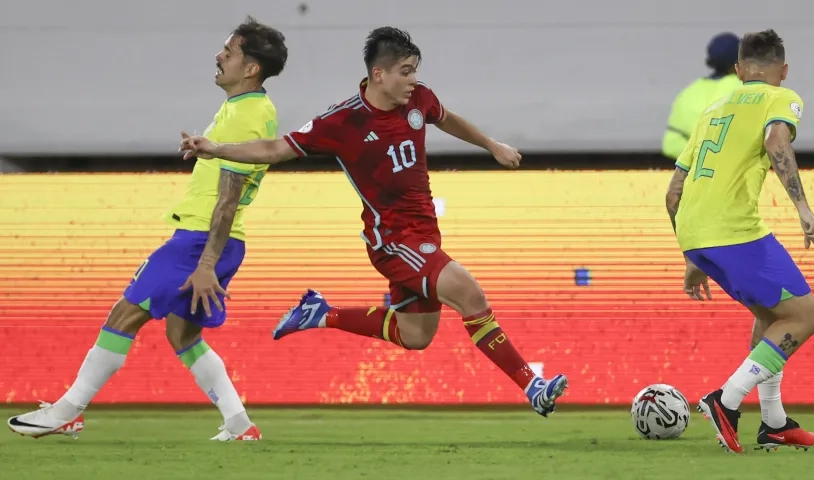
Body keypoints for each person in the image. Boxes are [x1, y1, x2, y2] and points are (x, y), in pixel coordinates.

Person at [180, 27, 568, 416]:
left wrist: (492, 145)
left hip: (424, 233)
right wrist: (215, 148)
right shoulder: (343, 122)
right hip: (393, 241)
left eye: (415, 70)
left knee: (415, 335)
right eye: (405, 71)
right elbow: (276, 148)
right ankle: (532, 385)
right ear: (378, 75)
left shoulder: (419, 99)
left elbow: (447, 119)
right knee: (469, 293)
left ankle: (321, 313)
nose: (413, 80)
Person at [7, 16, 288, 441]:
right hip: (218, 240)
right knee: (181, 332)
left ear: (250, 68)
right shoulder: (245, 108)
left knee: (125, 313)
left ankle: (67, 410)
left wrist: (207, 261)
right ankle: (238, 423)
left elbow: (229, 196)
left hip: (200, 240)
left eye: (229, 52)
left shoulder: (246, 115)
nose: (219, 56)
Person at [665, 29, 814, 453]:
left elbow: (673, 191)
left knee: (774, 317)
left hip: (697, 232)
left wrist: (692, 255)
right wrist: (803, 209)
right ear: (783, 69)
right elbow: (777, 143)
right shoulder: (781, 97)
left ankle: (773, 422)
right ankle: (727, 400)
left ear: (739, 71)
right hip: (734, 230)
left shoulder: (711, 109)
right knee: (806, 316)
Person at [662, 32, 743, 161]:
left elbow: (671, 145)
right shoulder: (747, 91)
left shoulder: (688, 93)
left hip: (694, 175)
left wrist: (699, 160)